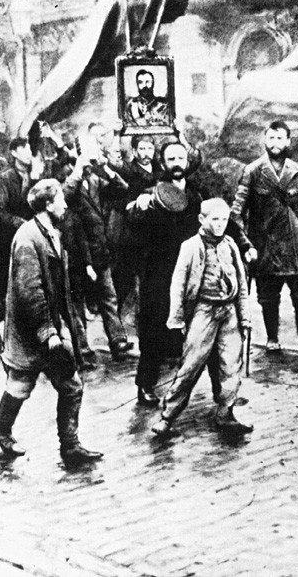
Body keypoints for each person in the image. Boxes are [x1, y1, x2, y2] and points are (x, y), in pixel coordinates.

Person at [0, 179, 103, 466]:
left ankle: (71, 446)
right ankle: (1, 431)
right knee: (20, 385)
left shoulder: (51, 232)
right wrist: (48, 331)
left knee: (71, 386)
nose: (65, 204)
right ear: (48, 204)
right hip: (34, 331)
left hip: (50, 327)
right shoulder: (28, 237)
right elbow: (30, 289)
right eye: (61, 199)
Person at [150, 198, 252, 437]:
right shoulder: (190, 246)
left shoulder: (230, 245)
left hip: (229, 314)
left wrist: (244, 318)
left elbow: (243, 285)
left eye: (224, 220)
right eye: (214, 219)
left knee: (231, 366)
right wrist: (176, 319)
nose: (220, 225)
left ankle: (226, 413)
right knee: (190, 366)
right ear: (201, 220)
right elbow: (178, 284)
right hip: (203, 312)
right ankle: (167, 417)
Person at [230, 120, 298, 359]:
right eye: (271, 138)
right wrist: (245, 243)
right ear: (265, 140)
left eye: (280, 138)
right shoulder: (253, 171)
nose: (275, 143)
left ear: (288, 141)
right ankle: (272, 339)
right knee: (268, 297)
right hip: (266, 246)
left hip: (297, 246)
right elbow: (236, 212)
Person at [126, 140, 203, 405]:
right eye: (171, 158)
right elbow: (132, 217)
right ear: (163, 163)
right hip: (159, 273)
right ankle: (145, 384)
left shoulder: (196, 194)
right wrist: (139, 205)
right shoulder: (151, 193)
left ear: (187, 161)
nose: (177, 163)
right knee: (153, 327)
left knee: (193, 328)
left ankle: (185, 385)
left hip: (191, 272)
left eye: (181, 157)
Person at [63, 146, 132, 358]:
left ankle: (117, 340)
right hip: (76, 250)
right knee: (76, 301)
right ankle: (81, 347)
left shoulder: (94, 179)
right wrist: (76, 170)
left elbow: (122, 188)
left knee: (108, 297)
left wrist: (106, 168)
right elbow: (64, 195)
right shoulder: (64, 175)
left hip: (99, 249)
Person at [0, 137, 38, 297]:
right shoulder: (5, 178)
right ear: (14, 153)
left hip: (31, 234)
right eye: (24, 149)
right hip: (8, 236)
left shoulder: (34, 174)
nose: (29, 154)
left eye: (30, 150)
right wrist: (20, 223)